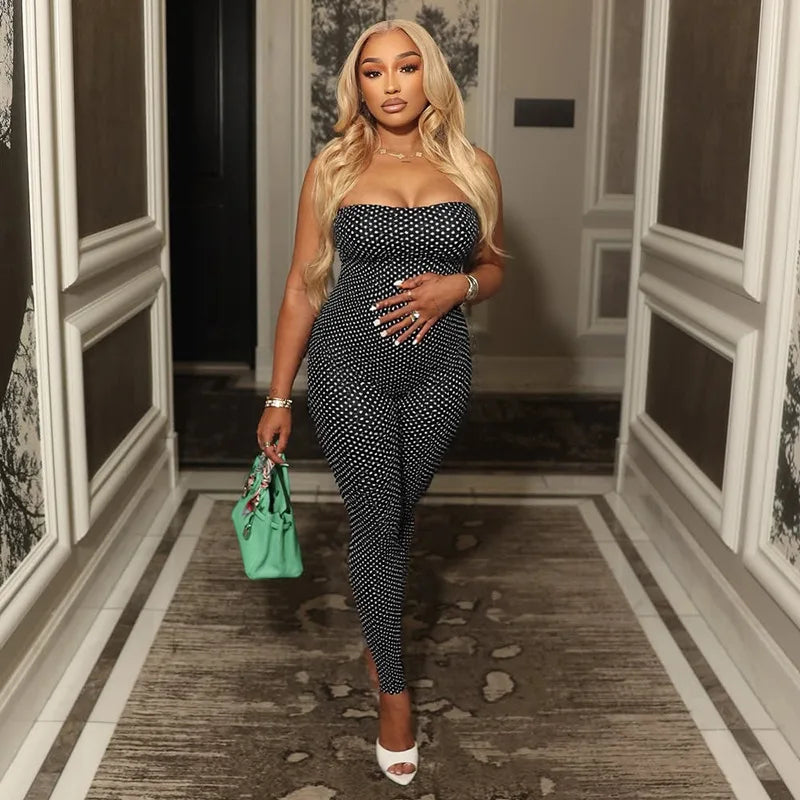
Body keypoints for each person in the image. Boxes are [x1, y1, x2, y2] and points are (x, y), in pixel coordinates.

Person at [256, 18, 504, 785]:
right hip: (347, 365)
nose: (391, 84)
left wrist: (459, 287)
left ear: (430, 76)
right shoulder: (333, 166)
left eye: (406, 67)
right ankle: (393, 693)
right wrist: (278, 395)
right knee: (373, 517)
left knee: (398, 514)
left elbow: (493, 267)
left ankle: (377, 632)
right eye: (373, 71)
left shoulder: (473, 166)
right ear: (357, 85)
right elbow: (302, 287)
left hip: (441, 371)